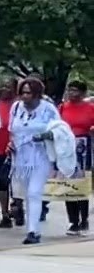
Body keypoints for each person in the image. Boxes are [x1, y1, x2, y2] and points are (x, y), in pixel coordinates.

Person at [8, 77, 61, 245]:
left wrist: (43, 136)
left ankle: (32, 231)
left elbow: (60, 132)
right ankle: (33, 227)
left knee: (34, 192)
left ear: (37, 94)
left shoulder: (48, 109)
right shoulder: (16, 108)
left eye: (29, 93)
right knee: (27, 194)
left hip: (41, 156)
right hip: (21, 158)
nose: (25, 96)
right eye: (22, 93)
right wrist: (11, 144)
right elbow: (12, 130)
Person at [59, 79, 94, 236]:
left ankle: (83, 218)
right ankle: (73, 220)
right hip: (66, 149)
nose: (72, 93)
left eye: (76, 90)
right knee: (68, 183)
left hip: (85, 148)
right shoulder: (63, 108)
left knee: (81, 184)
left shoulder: (90, 108)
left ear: (83, 93)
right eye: (70, 90)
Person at [0, 81, 18, 229]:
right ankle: (4, 214)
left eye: (9, 87)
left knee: (17, 182)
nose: (5, 89)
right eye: (2, 86)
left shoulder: (18, 105)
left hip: (16, 149)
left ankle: (18, 207)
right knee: (2, 182)